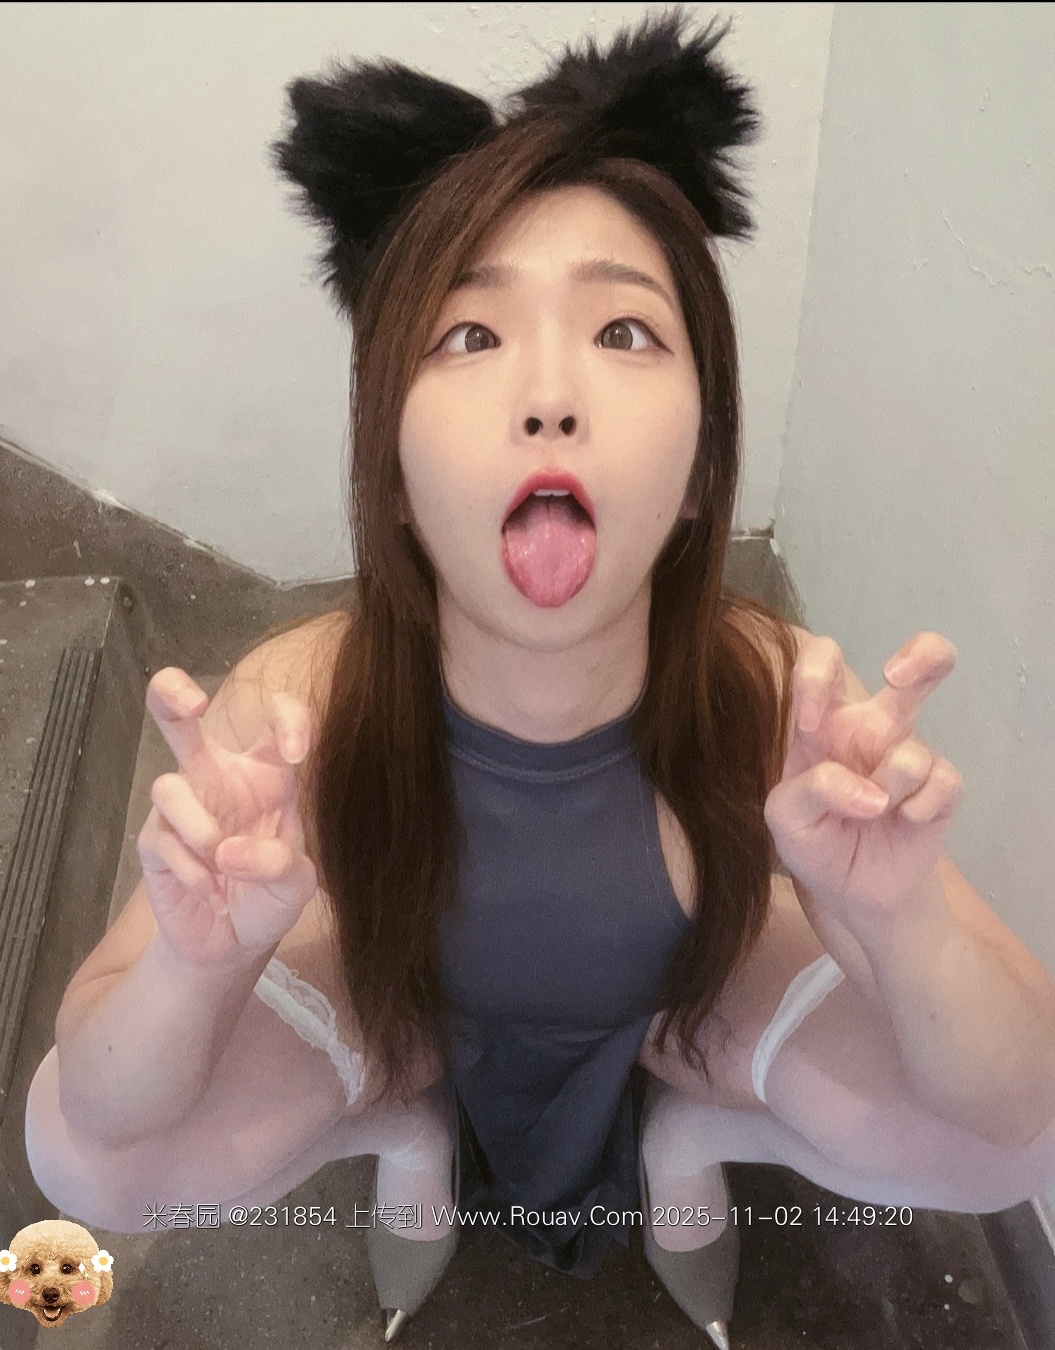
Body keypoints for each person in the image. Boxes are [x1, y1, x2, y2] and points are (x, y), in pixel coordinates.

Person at [23, 11, 1055, 1349]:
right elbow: (99, 1114)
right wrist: (194, 963)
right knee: (80, 1156)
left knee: (1014, 1140)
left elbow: (1016, 1101)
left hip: (676, 1016)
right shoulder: (301, 700)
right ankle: (408, 1137)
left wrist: (899, 917)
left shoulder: (768, 689)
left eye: (625, 330)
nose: (552, 395)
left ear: (702, 468)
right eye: (470, 336)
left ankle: (690, 1145)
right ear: (394, 472)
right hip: (408, 1024)